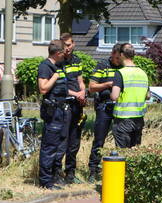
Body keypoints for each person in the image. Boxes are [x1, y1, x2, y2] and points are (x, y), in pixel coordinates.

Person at [86, 42, 124, 181]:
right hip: (104, 106)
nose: (118, 61)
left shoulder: (124, 67)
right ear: (112, 54)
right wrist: (107, 84)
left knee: (121, 140)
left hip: (120, 107)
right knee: (99, 140)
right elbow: (91, 87)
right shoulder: (102, 66)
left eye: (121, 59)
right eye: (117, 58)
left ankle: (118, 170)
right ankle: (93, 170)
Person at [37, 39, 71, 189]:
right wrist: (55, 76)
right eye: (64, 52)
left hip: (62, 111)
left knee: (60, 145)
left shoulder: (59, 65)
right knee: (49, 147)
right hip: (52, 112)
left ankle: (54, 176)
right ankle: (45, 181)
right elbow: (43, 89)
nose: (65, 54)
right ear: (58, 53)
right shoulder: (46, 67)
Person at [58, 32, 86, 183]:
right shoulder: (58, 62)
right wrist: (76, 94)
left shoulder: (77, 60)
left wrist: (83, 92)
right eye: (64, 46)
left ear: (73, 44)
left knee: (74, 141)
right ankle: (57, 172)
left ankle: (70, 173)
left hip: (77, 105)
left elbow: (80, 81)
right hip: (64, 105)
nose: (67, 48)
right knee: (63, 139)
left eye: (69, 45)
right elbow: (60, 87)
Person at [109, 44, 149, 148]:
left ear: (122, 54)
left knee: (122, 153)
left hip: (123, 119)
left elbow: (114, 96)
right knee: (134, 152)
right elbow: (148, 95)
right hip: (139, 119)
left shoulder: (121, 73)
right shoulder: (143, 73)